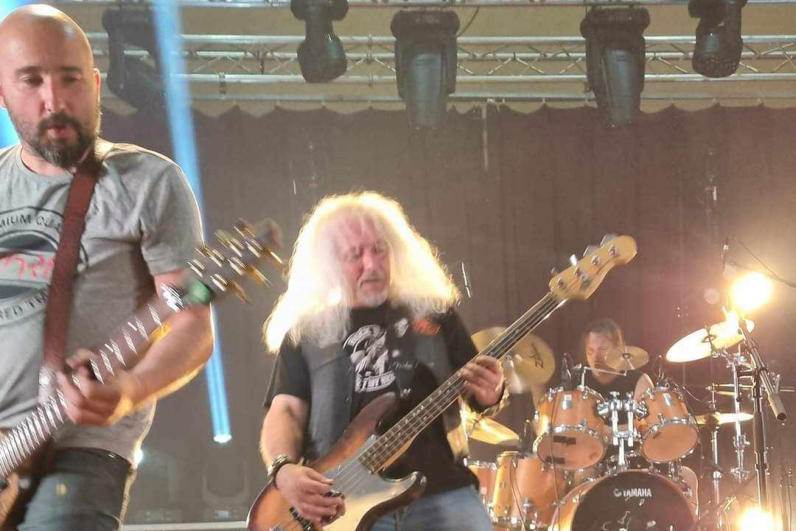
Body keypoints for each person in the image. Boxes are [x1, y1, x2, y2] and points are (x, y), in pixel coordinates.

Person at [0, 5, 213, 529]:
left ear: (95, 84)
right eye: (31, 80)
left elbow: (193, 322)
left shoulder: (148, 182)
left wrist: (129, 391)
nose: (54, 100)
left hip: (82, 445)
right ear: (2, 92)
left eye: (70, 78)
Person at [260, 191, 506, 530]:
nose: (372, 264)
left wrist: (491, 393)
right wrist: (283, 468)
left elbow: (478, 394)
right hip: (342, 500)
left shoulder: (434, 315)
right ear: (329, 265)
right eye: (355, 255)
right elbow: (285, 411)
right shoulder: (307, 333)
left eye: (379, 250)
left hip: (441, 491)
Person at [579, 318, 653, 400]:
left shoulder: (639, 382)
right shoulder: (577, 380)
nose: (596, 357)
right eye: (590, 351)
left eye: (603, 349)